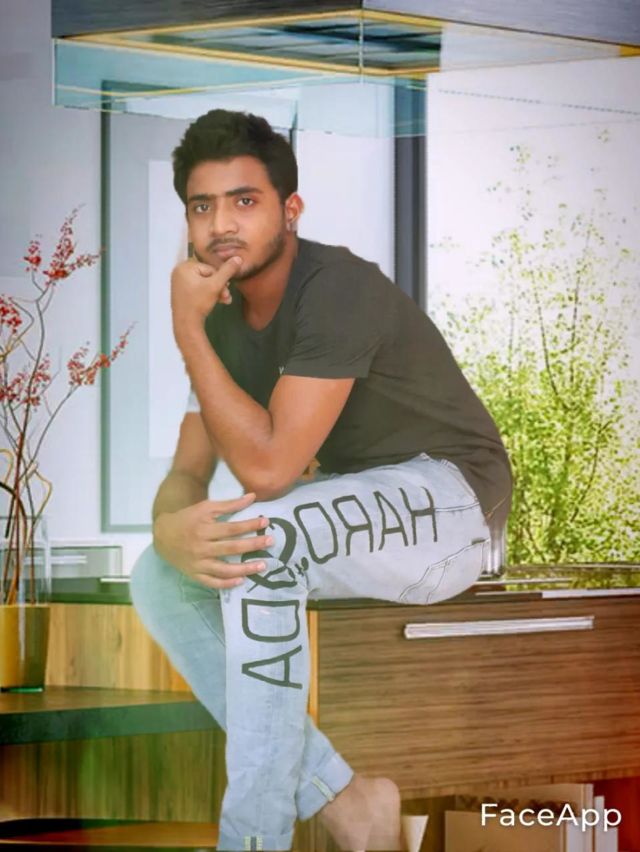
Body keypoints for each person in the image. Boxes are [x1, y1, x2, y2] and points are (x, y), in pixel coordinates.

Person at [129, 109, 512, 852]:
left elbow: (269, 470)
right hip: (354, 507)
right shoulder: (222, 320)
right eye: (202, 207)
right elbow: (188, 470)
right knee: (158, 577)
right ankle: (346, 798)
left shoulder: (338, 289)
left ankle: (254, 841)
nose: (220, 225)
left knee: (263, 541)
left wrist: (185, 330)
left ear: (290, 210)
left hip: (455, 504)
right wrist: (169, 530)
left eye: (244, 201)